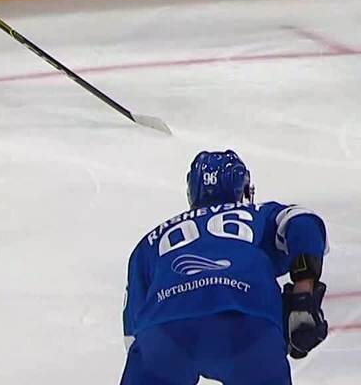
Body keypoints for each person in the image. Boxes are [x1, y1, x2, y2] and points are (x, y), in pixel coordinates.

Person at [121, 151, 329, 384]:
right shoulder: (257, 215)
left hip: (163, 328)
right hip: (245, 320)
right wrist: (303, 295)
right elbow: (303, 222)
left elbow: (132, 333)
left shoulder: (151, 241)